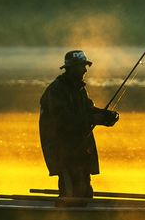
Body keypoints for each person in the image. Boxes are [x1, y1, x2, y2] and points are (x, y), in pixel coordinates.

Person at [39, 49, 119, 198]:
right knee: (70, 193)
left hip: (80, 149)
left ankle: (84, 218)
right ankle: (67, 219)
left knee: (85, 190)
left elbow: (87, 110)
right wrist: (93, 119)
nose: (84, 70)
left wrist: (105, 116)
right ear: (70, 69)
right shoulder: (56, 90)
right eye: (81, 66)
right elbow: (63, 120)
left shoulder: (78, 88)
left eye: (85, 66)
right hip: (63, 150)